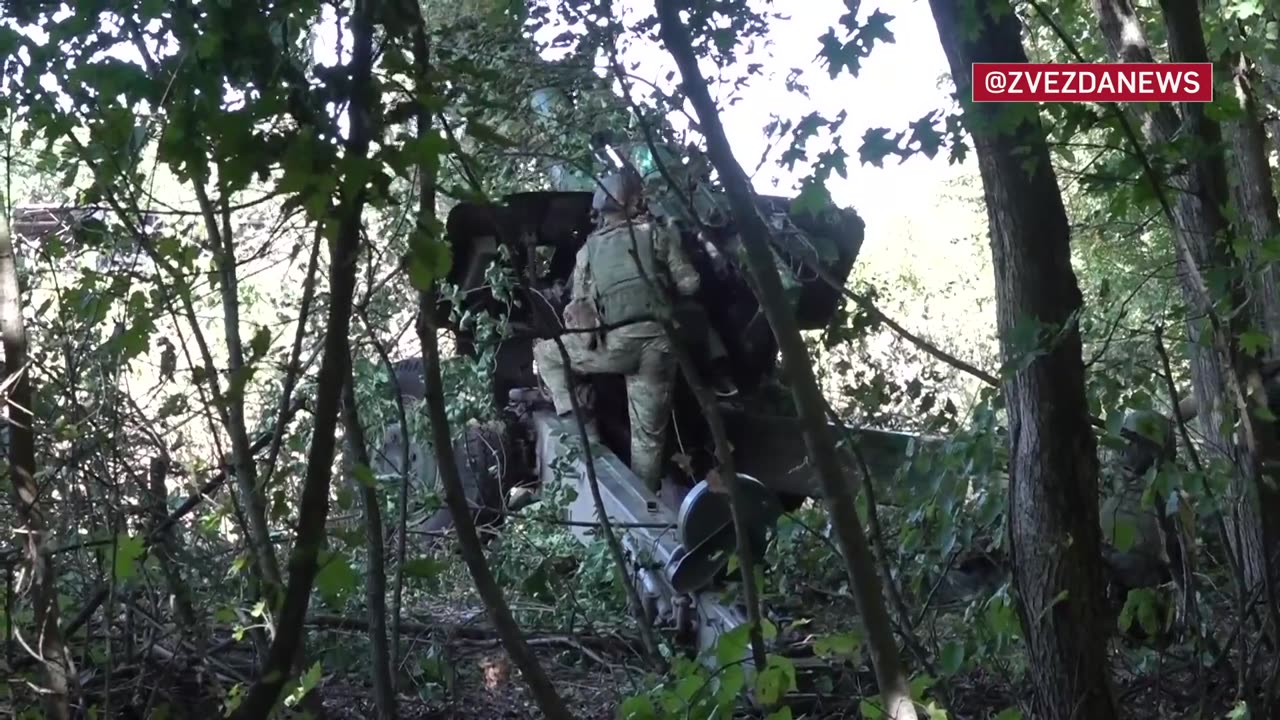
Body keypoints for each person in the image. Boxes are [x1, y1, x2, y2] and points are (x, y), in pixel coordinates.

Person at [533, 169, 703, 491]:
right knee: (648, 439)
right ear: (636, 202)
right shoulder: (656, 234)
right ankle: (644, 501)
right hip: (659, 348)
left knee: (548, 354)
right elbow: (690, 284)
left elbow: (579, 307)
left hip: (616, 348)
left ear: (602, 210)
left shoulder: (588, 250)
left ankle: (587, 437)